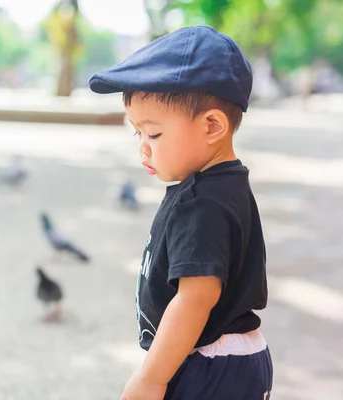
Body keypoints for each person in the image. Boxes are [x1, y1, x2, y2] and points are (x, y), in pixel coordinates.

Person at [89, 26, 273, 400]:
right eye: (136, 133)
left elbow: (196, 296)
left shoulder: (201, 203)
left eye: (153, 135)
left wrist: (152, 377)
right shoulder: (223, 184)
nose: (143, 148)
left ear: (212, 126)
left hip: (209, 368)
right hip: (229, 362)